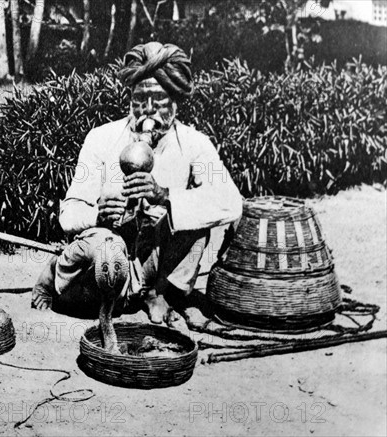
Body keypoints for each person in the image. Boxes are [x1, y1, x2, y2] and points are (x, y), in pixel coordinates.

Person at [31, 42, 242, 325]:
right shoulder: (101, 138)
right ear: (130, 98)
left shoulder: (195, 145)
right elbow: (68, 214)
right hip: (111, 254)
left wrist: (165, 196)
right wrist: (98, 213)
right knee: (104, 259)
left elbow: (230, 202)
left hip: (156, 263)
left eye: (159, 100)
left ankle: (159, 294)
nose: (149, 111)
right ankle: (54, 273)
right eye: (141, 99)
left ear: (175, 102)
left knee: (194, 221)